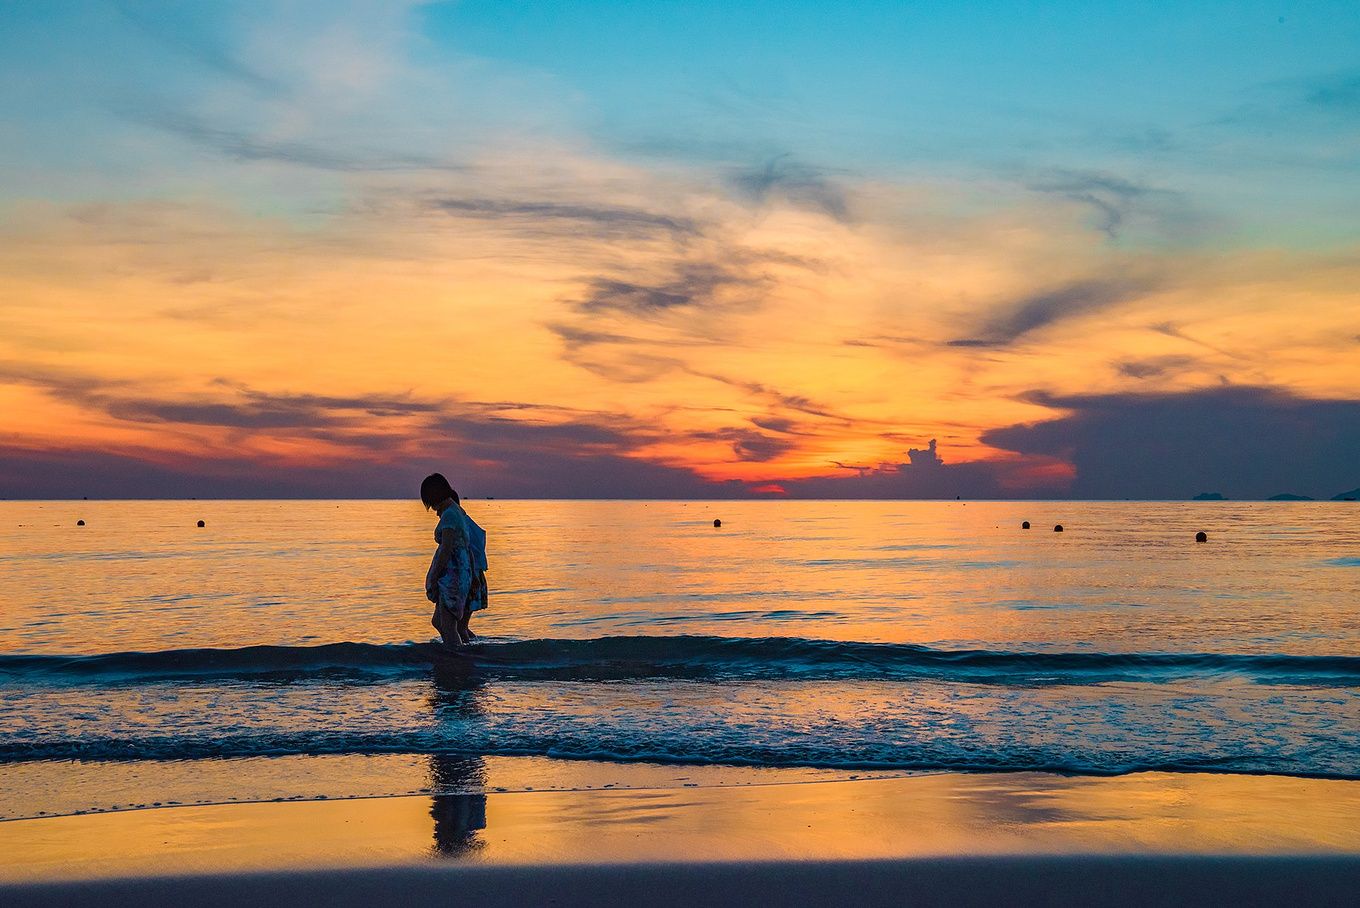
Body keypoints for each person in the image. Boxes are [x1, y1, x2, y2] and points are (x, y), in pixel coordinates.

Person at [421, 473, 488, 646]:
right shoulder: (459, 512)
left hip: (453, 578)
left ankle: (456, 660)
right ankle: (458, 652)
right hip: (460, 576)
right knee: (438, 621)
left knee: (450, 627)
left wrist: (434, 575)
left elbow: (446, 549)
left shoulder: (450, 515)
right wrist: (473, 576)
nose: (434, 511)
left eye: (431, 504)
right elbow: (468, 548)